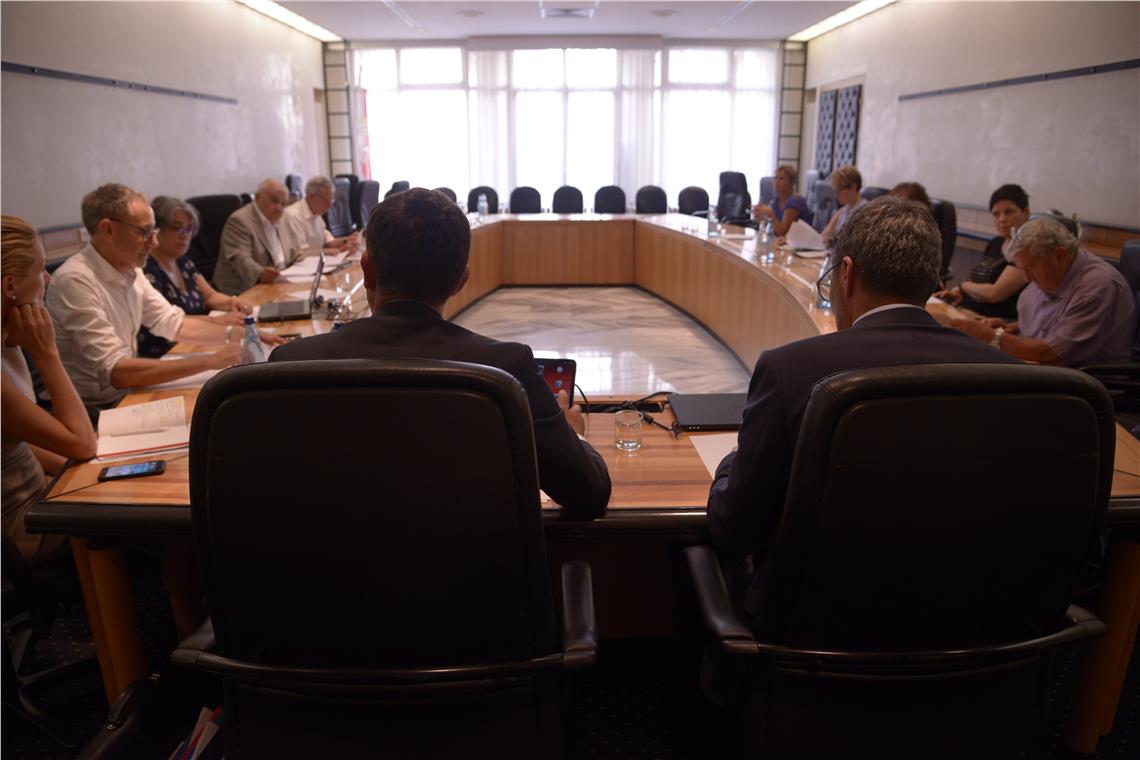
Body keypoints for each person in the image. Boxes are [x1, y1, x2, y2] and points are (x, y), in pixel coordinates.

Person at [707, 196, 1017, 626]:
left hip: (813, 627)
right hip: (970, 623)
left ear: (846, 274)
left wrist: (730, 464)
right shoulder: (1009, 374)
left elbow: (735, 529)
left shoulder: (789, 370)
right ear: (931, 279)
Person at [270, 188, 611, 518]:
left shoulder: (290, 366)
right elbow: (587, 494)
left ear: (367, 270)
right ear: (461, 281)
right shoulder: (505, 370)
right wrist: (574, 435)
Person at [44, 183, 276, 407]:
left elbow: (173, 323)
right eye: (144, 232)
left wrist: (239, 333)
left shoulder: (130, 269)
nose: (153, 242)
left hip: (127, 394)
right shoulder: (75, 281)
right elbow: (116, 371)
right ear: (108, 229)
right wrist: (210, 361)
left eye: (153, 231)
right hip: (96, 409)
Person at [2, 216, 97, 563]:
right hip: (18, 528)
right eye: (41, 269)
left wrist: (91, 472)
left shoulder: (7, 334)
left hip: (38, 492)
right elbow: (82, 443)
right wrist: (46, 353)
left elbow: (22, 440)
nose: (48, 278)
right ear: (11, 284)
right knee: (158, 524)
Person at [950, 217, 1133, 366]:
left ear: (1060, 255)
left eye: (1031, 268)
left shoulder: (1097, 287)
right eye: (1023, 269)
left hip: (1082, 384)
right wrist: (1015, 326)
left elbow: (1053, 354)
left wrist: (993, 337)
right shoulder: (1053, 272)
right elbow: (1059, 319)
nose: (1027, 278)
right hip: (1041, 366)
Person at [138, 196, 253, 357]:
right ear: (156, 230)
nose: (184, 235)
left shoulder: (182, 261)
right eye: (176, 228)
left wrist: (232, 302)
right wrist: (215, 321)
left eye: (189, 229)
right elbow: (167, 321)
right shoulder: (146, 270)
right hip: (167, 352)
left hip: (197, 341)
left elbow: (210, 296)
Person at [937, 184, 1030, 320]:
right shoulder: (996, 243)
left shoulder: (1026, 249)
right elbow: (978, 280)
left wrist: (963, 286)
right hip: (964, 308)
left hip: (990, 320)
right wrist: (959, 293)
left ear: (1025, 212)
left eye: (1009, 212)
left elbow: (994, 293)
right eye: (996, 214)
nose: (1002, 219)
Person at [213, 178, 299, 294]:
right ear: (258, 197)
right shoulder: (240, 220)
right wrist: (260, 273)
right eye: (274, 201)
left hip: (278, 283)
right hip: (244, 289)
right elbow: (239, 259)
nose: (279, 208)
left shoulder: (283, 218)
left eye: (283, 204)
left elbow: (293, 249)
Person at [279, 175, 359, 258]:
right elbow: (301, 253)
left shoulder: (317, 215)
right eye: (326, 201)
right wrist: (329, 251)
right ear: (311, 196)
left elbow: (328, 241)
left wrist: (347, 240)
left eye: (331, 201)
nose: (330, 206)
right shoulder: (293, 216)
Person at [752, 165, 813, 236]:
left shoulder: (795, 201)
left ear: (791, 183)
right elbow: (769, 226)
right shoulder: (776, 201)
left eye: (781, 179)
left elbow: (782, 232)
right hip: (783, 241)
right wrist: (759, 216)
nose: (776, 182)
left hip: (802, 241)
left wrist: (771, 214)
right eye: (775, 178)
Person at [819, 164, 866, 245]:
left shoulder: (866, 212)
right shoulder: (842, 211)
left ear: (853, 187)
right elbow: (824, 236)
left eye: (839, 190)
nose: (836, 195)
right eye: (835, 191)